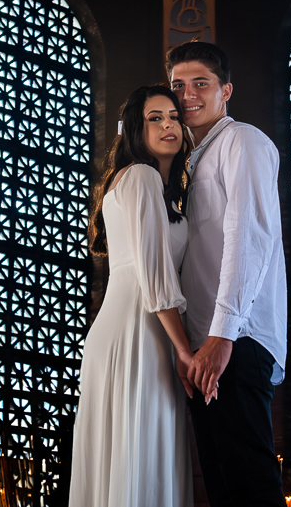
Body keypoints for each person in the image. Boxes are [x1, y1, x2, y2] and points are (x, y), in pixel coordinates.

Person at [68, 85, 200, 507]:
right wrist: (185, 350)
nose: (168, 125)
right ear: (135, 131)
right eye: (154, 118)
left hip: (149, 329)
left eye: (174, 117)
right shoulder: (140, 175)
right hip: (136, 330)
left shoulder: (163, 193)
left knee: (142, 451)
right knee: (141, 448)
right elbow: (154, 273)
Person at [168, 41, 287, 507]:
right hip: (205, 346)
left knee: (250, 486)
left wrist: (222, 335)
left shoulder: (243, 141)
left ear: (226, 91)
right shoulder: (191, 162)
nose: (188, 94)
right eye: (178, 85)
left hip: (237, 338)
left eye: (201, 83)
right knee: (222, 489)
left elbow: (249, 236)